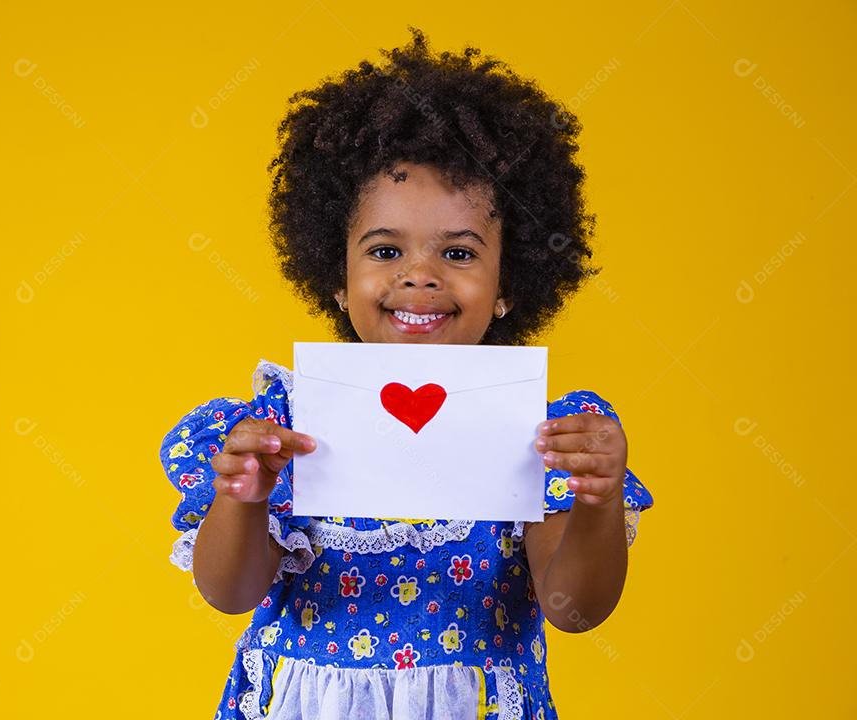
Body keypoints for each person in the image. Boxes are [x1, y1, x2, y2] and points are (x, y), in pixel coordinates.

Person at [159, 26, 655, 720]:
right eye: (385, 250)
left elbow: (575, 611)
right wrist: (242, 496)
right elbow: (228, 593)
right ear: (337, 276)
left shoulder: (541, 435)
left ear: (508, 284)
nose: (418, 275)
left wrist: (597, 504)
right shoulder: (279, 428)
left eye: (458, 255)